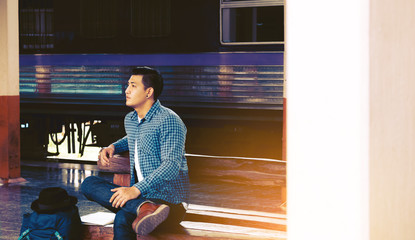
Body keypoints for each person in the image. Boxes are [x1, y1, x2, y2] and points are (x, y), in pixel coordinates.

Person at [81, 67, 190, 239]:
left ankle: (146, 207)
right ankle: (143, 207)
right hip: (140, 198)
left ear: (149, 92)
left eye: (133, 85)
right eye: (127, 85)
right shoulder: (131, 119)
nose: (126, 90)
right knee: (88, 184)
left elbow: (170, 166)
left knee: (123, 217)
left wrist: (135, 189)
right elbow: (132, 137)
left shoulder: (169, 120)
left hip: (170, 203)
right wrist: (113, 146)